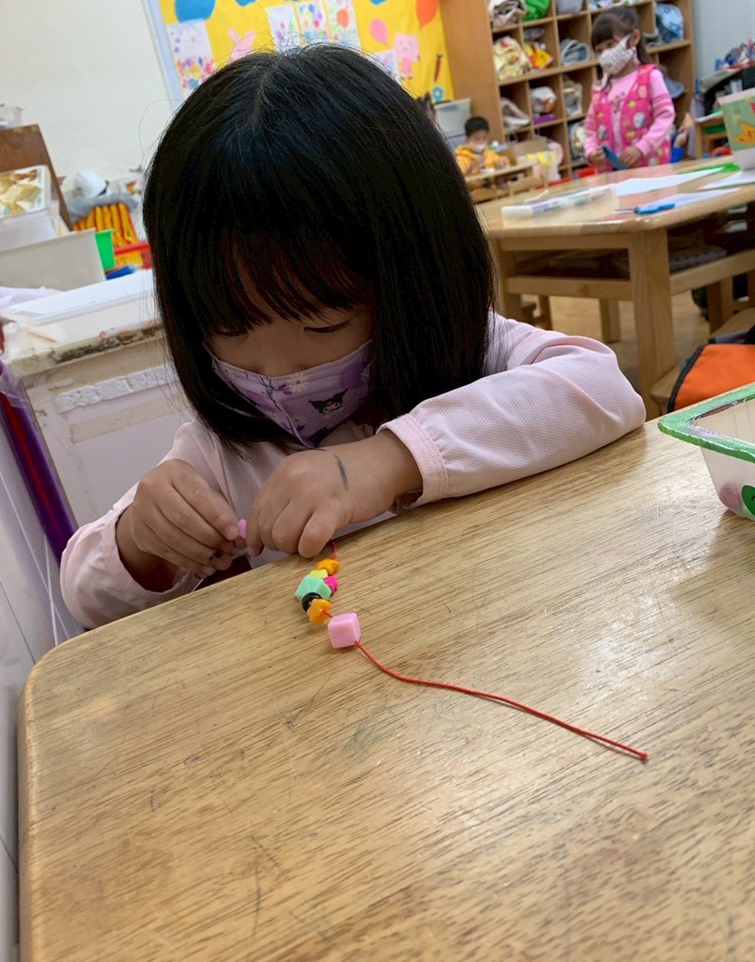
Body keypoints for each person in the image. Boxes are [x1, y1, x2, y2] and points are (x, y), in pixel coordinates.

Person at [60, 46, 645, 629]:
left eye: (322, 325)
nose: (276, 370)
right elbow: (84, 593)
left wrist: (390, 461)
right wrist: (140, 539)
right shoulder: (223, 452)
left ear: (414, 282)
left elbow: (604, 389)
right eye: (229, 327)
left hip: (504, 630)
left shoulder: (474, 354)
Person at [584, 8, 675, 171]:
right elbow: (590, 129)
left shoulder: (650, 77)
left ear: (634, 38)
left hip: (651, 171)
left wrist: (642, 147)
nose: (605, 54)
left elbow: (665, 116)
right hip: (613, 176)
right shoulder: (601, 89)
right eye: (600, 50)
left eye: (610, 45)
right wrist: (591, 152)